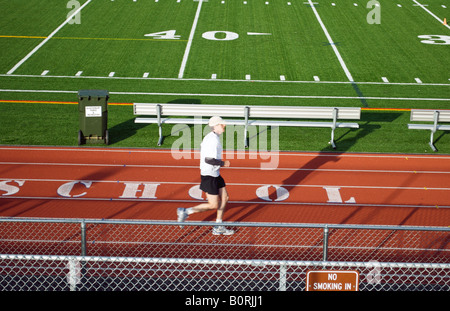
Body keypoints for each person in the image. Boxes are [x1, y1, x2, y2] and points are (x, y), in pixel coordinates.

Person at [177, 116, 235, 235]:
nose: (224, 126)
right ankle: (186, 211)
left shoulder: (213, 137)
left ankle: (218, 226)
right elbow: (208, 159)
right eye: (222, 124)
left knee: (225, 198)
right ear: (216, 126)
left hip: (214, 173)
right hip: (209, 175)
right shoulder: (213, 140)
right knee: (213, 204)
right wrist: (223, 163)